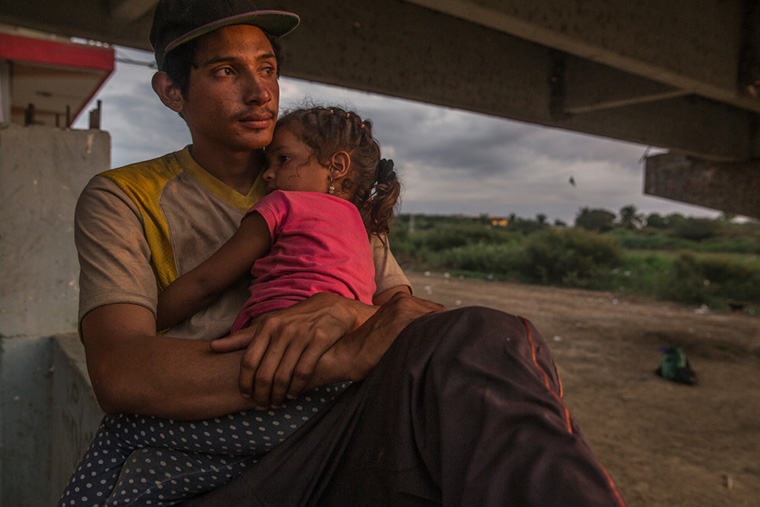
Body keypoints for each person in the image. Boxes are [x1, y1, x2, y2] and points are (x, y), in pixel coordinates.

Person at [71, 0, 626, 505]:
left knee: (489, 338)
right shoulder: (125, 197)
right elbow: (120, 373)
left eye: (267, 68)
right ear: (171, 91)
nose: (260, 92)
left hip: (337, 441)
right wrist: (331, 357)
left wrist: (350, 314)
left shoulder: (330, 197)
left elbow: (410, 325)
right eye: (225, 71)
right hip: (219, 468)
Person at [57, 106, 402, 506]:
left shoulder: (283, 203)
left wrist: (145, 321)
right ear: (172, 91)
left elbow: (207, 282)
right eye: (270, 161)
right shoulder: (362, 226)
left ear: (336, 166)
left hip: (270, 380)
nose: (270, 174)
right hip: (336, 403)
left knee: (123, 434)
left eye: (282, 160)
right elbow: (399, 315)